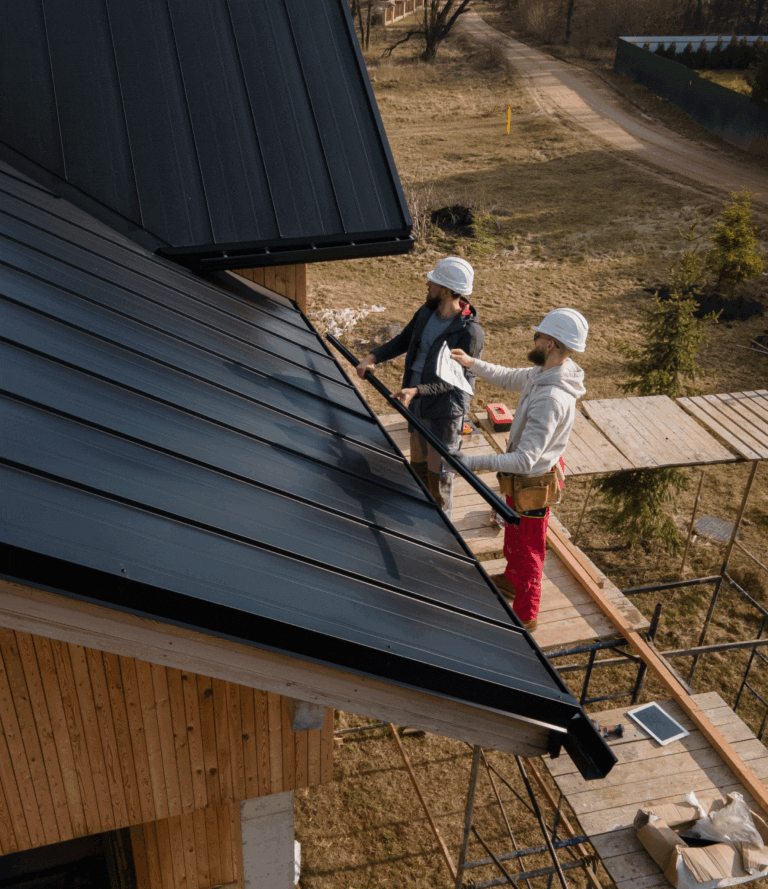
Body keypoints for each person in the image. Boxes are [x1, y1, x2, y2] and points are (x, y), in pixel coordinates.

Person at [451, 308, 588, 631]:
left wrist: (470, 463)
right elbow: (512, 376)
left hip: (533, 483)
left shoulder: (552, 397)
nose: (534, 339)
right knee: (514, 535)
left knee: (529, 552)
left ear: (551, 344)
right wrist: (473, 364)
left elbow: (525, 460)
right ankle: (511, 582)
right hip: (524, 481)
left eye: (538, 335)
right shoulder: (547, 371)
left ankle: (527, 616)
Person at [357, 257, 483, 519]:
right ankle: (419, 520)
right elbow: (404, 340)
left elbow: (455, 380)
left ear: (446, 291)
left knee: (439, 476)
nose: (427, 283)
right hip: (417, 403)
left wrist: (417, 391)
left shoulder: (469, 333)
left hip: (445, 411)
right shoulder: (426, 312)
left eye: (433, 282)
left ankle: (442, 530)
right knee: (418, 467)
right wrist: (373, 356)